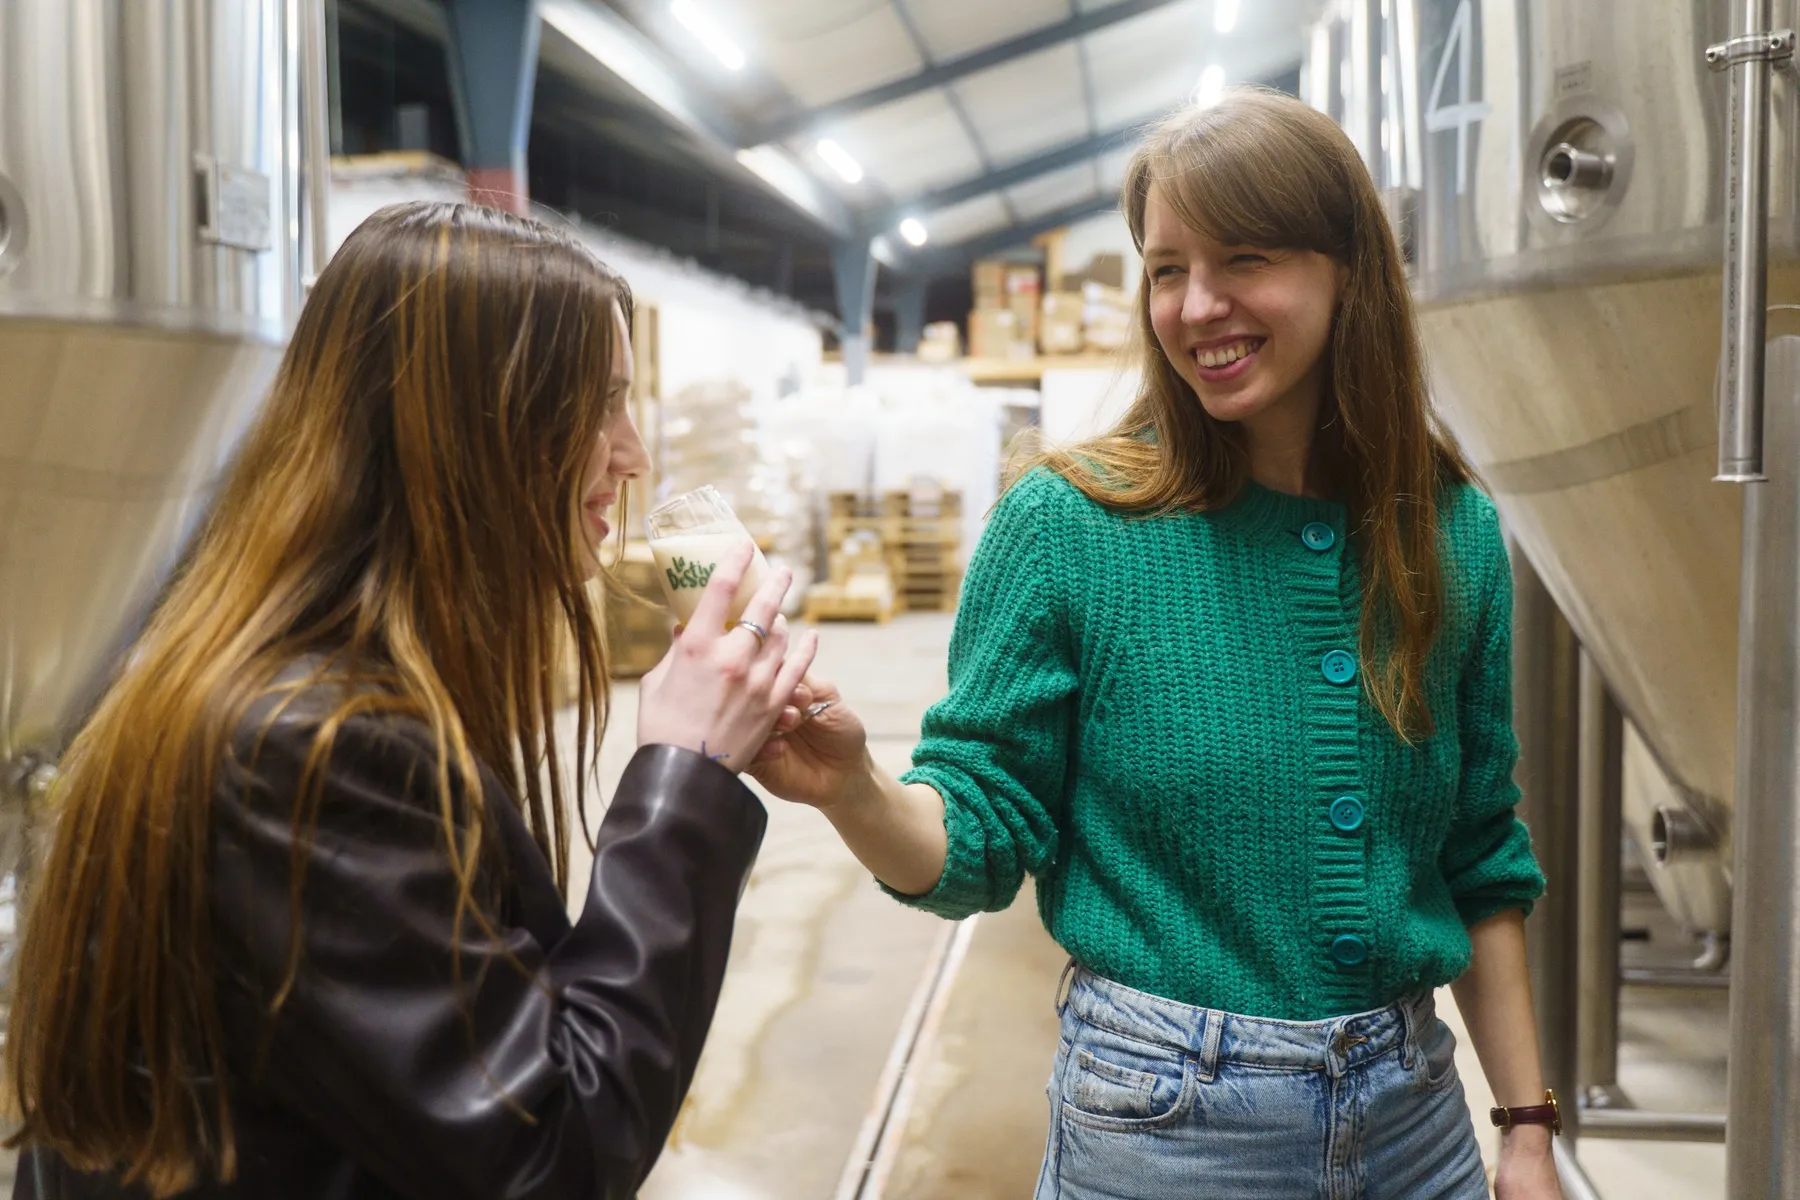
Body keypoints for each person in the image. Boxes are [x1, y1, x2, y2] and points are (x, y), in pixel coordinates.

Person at [753, 89, 1563, 1198]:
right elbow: (978, 837)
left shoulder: (1450, 531)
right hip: (1167, 1128)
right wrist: (852, 788)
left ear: (1348, 272)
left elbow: (1479, 849)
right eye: (1167, 267)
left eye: (1245, 258)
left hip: (1415, 1118)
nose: (1197, 305)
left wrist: (1525, 1128)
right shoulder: (1067, 527)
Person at [4, 201, 817, 1199]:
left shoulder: (310, 687)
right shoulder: (316, 747)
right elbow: (552, 1151)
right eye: (599, 403)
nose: (633, 451)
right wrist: (683, 781)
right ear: (478, 423)